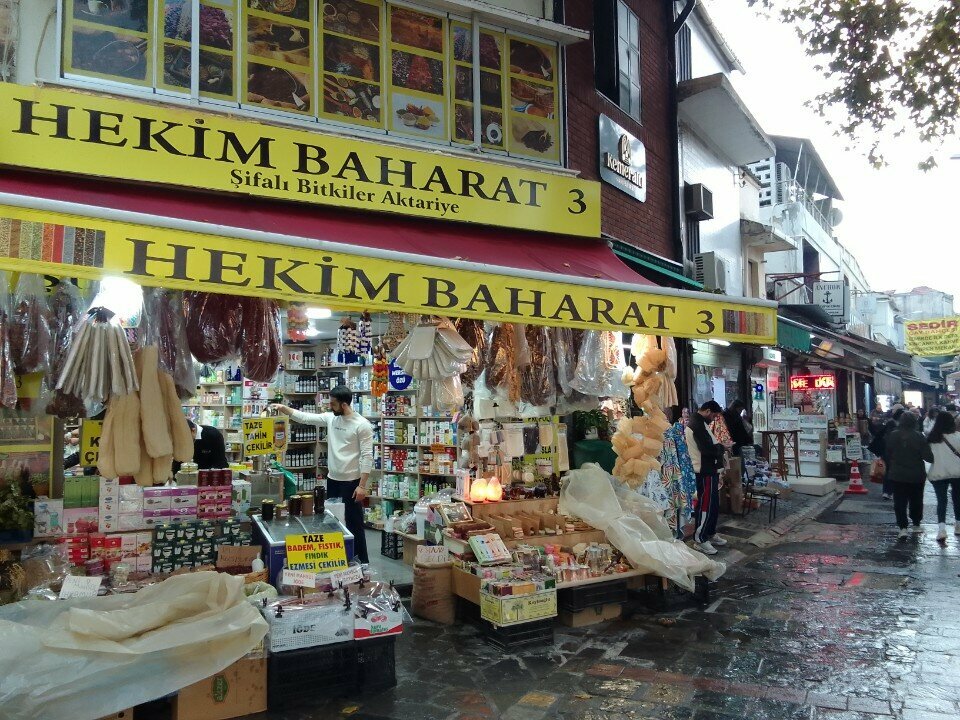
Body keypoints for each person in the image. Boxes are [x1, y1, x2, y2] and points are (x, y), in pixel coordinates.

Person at [271, 385, 372, 563]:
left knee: (354, 524)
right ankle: (339, 560)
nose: (329, 406)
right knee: (332, 523)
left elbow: (367, 456)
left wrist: (362, 485)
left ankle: (362, 563)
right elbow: (305, 417)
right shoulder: (331, 418)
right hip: (332, 480)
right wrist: (284, 409)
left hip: (351, 483)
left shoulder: (362, 425)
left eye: (332, 404)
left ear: (344, 404)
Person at [685, 400, 727, 555]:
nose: (714, 418)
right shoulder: (697, 425)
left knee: (713, 504)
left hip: (710, 470)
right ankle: (700, 538)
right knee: (705, 505)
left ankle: (710, 532)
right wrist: (722, 447)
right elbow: (708, 449)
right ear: (708, 411)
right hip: (704, 470)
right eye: (714, 415)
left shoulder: (700, 423)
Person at [885, 412, 933, 540]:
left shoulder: (893, 435)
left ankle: (903, 528)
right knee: (916, 499)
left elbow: (888, 452)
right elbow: (928, 457)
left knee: (899, 501)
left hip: (897, 474)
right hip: (916, 475)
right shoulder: (919, 437)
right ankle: (916, 524)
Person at [926, 411, 960, 542]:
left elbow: (928, 458)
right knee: (957, 500)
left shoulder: (932, 438)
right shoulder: (958, 436)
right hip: (957, 473)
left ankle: (941, 529)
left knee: (941, 501)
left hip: (938, 473)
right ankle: (958, 525)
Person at [868, 407, 903, 500]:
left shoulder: (890, 423)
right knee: (890, 471)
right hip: (890, 452)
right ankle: (889, 492)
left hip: (886, 451)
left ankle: (887, 491)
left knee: (888, 471)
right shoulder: (894, 425)